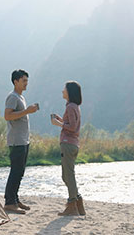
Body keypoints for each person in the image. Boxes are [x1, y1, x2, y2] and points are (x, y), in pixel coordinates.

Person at [3, 69, 39, 214]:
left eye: (27, 81)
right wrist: (27, 111)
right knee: (16, 171)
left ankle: (15, 199)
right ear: (15, 81)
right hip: (16, 141)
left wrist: (28, 110)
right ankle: (9, 203)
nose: (26, 84)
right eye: (23, 81)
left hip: (23, 140)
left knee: (20, 172)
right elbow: (7, 116)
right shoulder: (12, 97)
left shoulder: (20, 97)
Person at [51, 81, 85, 216]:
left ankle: (72, 205)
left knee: (68, 175)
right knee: (67, 175)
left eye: (64, 89)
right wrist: (62, 120)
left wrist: (58, 123)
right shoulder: (74, 106)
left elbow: (72, 127)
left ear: (69, 92)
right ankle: (78, 203)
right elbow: (72, 124)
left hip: (68, 143)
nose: (62, 91)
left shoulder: (70, 106)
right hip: (73, 144)